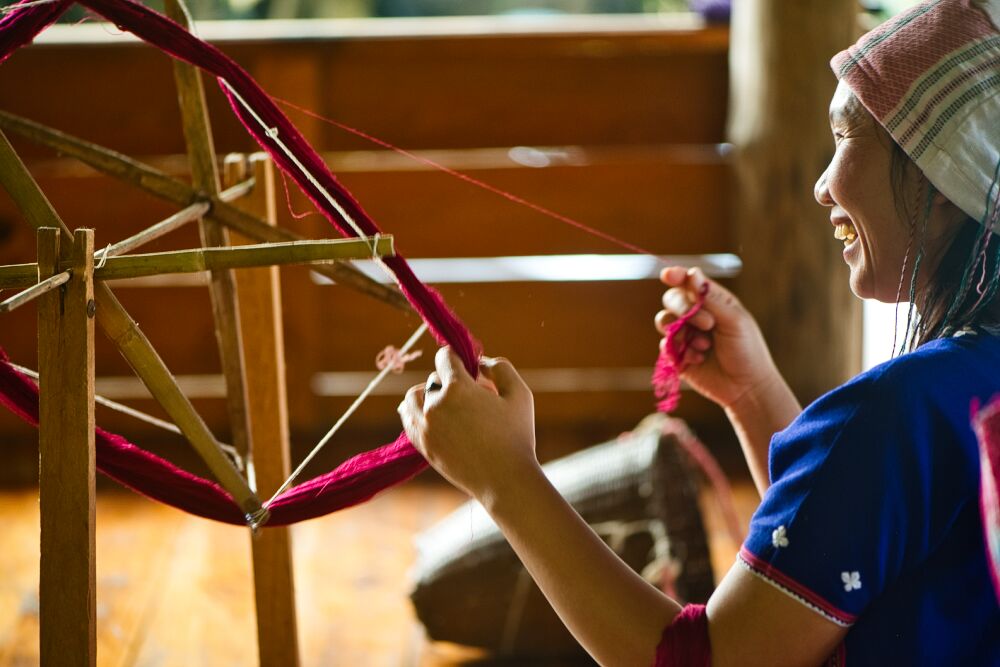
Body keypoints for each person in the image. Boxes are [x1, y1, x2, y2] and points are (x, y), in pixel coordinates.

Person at [398, 0, 1000, 664]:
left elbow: (705, 657)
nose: (822, 187)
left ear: (941, 175)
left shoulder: (898, 411)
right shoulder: (955, 392)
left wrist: (505, 478)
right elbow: (862, 537)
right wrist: (753, 394)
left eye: (846, 137)